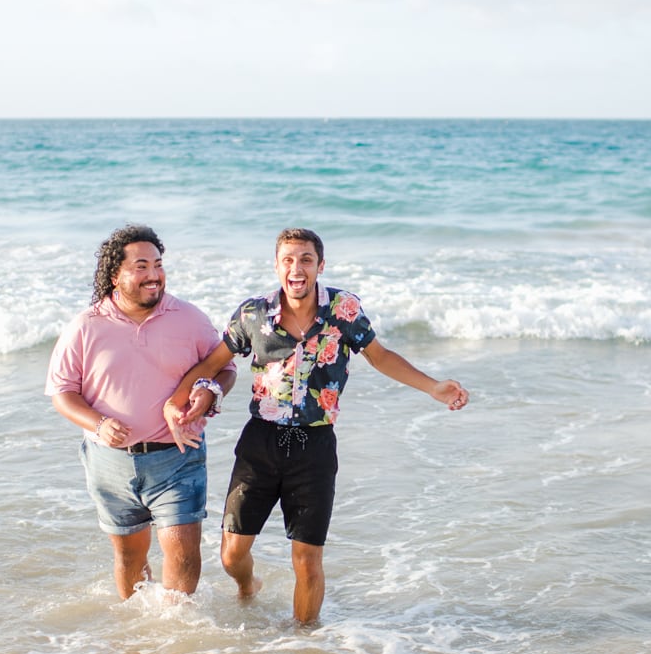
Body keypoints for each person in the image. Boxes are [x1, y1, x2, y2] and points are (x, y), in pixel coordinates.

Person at [165, 227, 468, 624]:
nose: (297, 268)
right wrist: (177, 399)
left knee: (307, 560)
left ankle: (305, 647)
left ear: (320, 265)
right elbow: (211, 363)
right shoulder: (253, 314)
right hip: (261, 442)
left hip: (316, 446)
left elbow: (380, 357)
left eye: (306, 259)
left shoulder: (344, 311)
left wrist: (433, 388)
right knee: (231, 554)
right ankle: (247, 585)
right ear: (277, 267)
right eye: (288, 260)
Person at [46, 224, 235, 600]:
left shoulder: (188, 317)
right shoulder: (86, 326)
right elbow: (62, 393)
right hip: (109, 462)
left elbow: (224, 367)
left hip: (177, 455)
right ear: (116, 275)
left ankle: (176, 638)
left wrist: (210, 393)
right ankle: (140, 649)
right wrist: (99, 423)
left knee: (183, 555)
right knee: (129, 558)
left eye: (159, 265)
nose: (154, 275)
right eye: (142, 266)